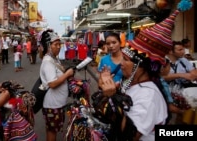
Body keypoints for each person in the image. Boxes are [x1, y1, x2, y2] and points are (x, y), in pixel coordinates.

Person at [95, 2, 193, 139]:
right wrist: (108, 92)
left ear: (140, 65)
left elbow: (130, 136)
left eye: (126, 60)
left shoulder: (148, 95)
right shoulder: (131, 84)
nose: (121, 63)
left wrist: (113, 98)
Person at [39, 30, 74, 141]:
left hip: (57, 103)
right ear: (49, 46)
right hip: (52, 105)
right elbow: (52, 83)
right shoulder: (48, 62)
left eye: (60, 44)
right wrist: (67, 74)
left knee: (52, 129)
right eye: (56, 44)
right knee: (52, 131)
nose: (59, 47)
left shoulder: (54, 59)